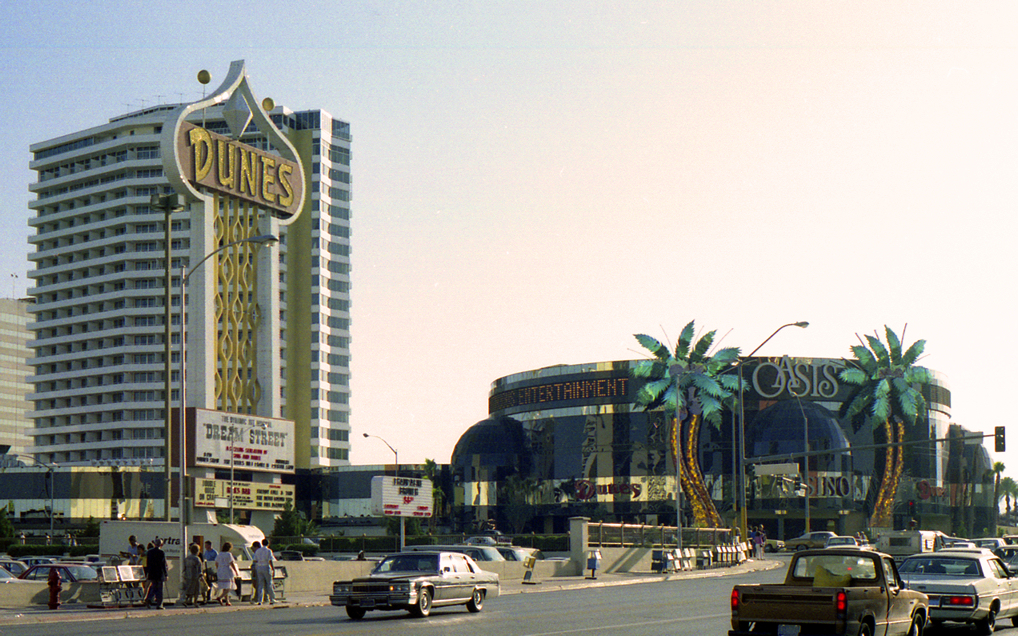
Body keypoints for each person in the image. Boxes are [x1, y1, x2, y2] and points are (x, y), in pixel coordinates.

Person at [144, 538, 168, 609]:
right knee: (159, 589)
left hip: (152, 573)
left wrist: (147, 573)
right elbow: (163, 564)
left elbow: (148, 563)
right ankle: (159, 604)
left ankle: (148, 598)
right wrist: (166, 574)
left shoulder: (150, 552)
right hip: (159, 573)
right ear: (161, 544)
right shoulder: (161, 552)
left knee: (154, 586)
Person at [214, 542, 240, 606]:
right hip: (227, 570)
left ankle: (227, 601)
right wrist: (235, 571)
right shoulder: (228, 554)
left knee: (224, 586)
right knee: (229, 586)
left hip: (220, 570)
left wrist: (218, 569)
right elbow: (231, 563)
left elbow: (216, 563)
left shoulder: (219, 554)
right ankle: (220, 597)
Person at [252, 538, 277, 605]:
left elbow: (255, 560)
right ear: (268, 544)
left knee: (260, 584)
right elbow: (270, 560)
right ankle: (272, 599)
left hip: (259, 567)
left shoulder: (258, 551)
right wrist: (273, 568)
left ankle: (260, 600)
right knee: (269, 583)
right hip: (266, 566)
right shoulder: (268, 551)